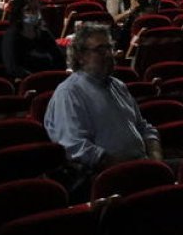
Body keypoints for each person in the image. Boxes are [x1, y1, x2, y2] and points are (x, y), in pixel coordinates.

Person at [44, 23, 162, 172]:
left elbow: (144, 128)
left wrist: (156, 160)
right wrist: (129, 167)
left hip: (142, 165)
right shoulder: (69, 93)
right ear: (81, 57)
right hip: (108, 175)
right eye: (100, 50)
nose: (108, 54)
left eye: (109, 48)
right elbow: (75, 147)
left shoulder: (117, 85)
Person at [1, 0, 65, 79]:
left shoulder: (44, 33)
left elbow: (59, 59)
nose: (33, 13)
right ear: (19, 12)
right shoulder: (11, 36)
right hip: (30, 83)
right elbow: (13, 68)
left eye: (35, 9)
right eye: (28, 10)